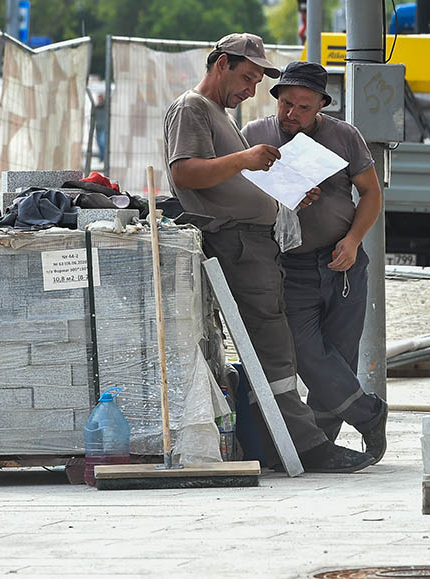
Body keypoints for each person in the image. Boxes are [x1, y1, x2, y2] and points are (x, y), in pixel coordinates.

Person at [164, 33, 373, 474]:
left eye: (258, 81)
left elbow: (234, 181)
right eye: (247, 78)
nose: (251, 91)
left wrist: (287, 193)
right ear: (221, 63)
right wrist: (245, 159)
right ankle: (308, 446)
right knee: (277, 349)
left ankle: (301, 440)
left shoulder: (219, 114)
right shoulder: (192, 108)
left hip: (262, 247)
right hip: (238, 244)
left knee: (285, 349)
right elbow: (185, 173)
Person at [241, 61, 388, 463]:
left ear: (321, 105)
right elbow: (239, 193)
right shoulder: (254, 136)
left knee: (340, 357)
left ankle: (320, 448)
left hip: (344, 263)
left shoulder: (344, 136)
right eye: (285, 103)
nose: (291, 114)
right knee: (306, 354)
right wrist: (281, 195)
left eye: (303, 107)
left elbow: (371, 194)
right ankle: (368, 414)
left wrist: (354, 240)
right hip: (290, 266)